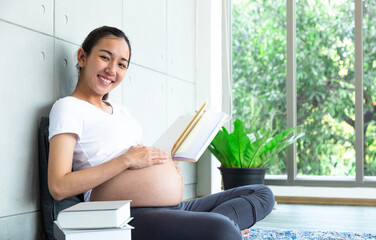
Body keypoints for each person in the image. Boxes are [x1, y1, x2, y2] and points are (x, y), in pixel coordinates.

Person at [48, 26, 275, 240]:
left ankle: (216, 228)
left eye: (122, 64)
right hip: (127, 214)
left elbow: (140, 166)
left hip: (172, 207)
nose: (112, 70)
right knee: (222, 228)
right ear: (82, 57)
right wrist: (126, 160)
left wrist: (165, 163)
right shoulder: (68, 107)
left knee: (262, 194)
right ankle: (221, 228)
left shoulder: (122, 111)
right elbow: (59, 186)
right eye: (105, 57)